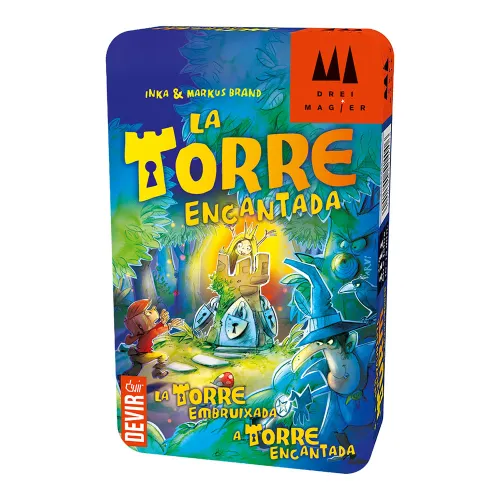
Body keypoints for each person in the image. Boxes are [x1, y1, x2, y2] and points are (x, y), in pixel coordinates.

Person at [123, 299, 183, 378]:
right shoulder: (150, 333)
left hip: (137, 354)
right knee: (163, 356)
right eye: (149, 312)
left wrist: (162, 323)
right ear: (142, 321)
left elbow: (154, 329)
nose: (153, 308)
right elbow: (157, 331)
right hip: (143, 356)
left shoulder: (144, 331)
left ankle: (126, 375)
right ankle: (157, 372)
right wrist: (170, 325)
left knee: (137, 367)